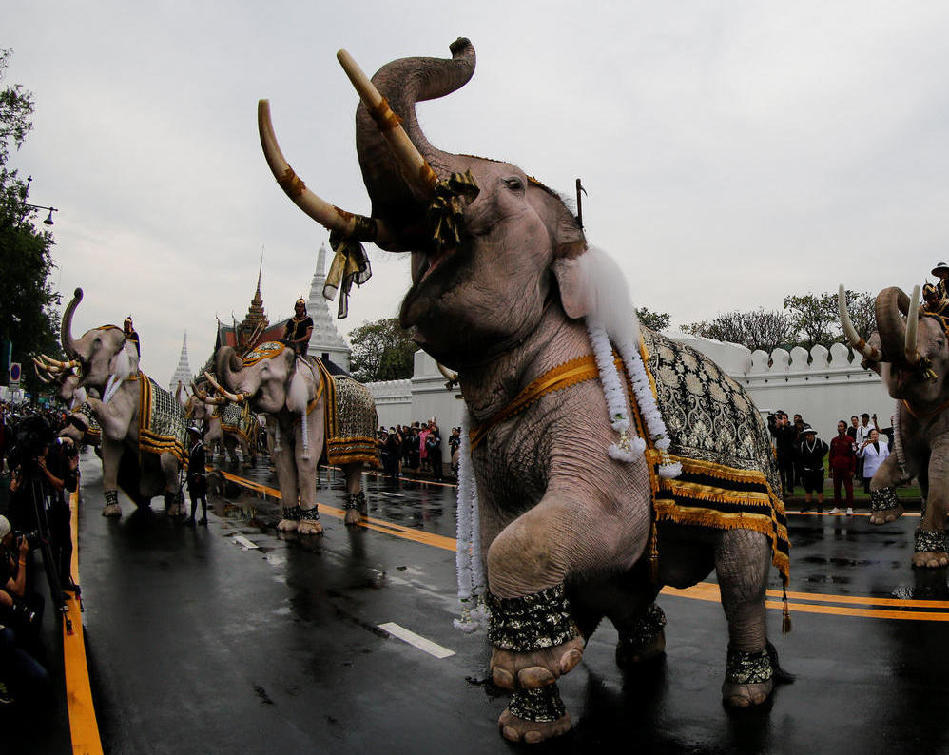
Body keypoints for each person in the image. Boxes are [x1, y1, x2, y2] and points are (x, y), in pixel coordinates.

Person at [828, 420, 858, 514]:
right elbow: (831, 455)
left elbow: (853, 456)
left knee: (848, 488)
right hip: (836, 468)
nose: (839, 428)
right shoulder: (834, 440)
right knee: (837, 488)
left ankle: (850, 507)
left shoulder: (850, 440)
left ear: (845, 428)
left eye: (841, 426)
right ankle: (837, 507)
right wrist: (830, 469)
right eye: (838, 426)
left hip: (847, 468)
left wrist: (853, 469)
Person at [798, 426, 828, 513]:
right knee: (808, 489)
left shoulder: (820, 442)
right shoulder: (803, 444)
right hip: (807, 470)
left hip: (818, 470)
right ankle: (807, 505)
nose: (808, 437)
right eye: (806, 435)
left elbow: (826, 449)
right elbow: (801, 456)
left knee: (819, 489)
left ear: (813, 435)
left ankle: (820, 506)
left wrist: (818, 457)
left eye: (809, 435)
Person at [769, 411, 797, 495]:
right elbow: (773, 433)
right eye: (781, 418)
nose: (782, 420)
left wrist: (784, 425)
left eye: (784, 418)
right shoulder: (779, 428)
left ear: (787, 419)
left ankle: (790, 490)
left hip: (789, 454)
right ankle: (782, 490)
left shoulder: (791, 428)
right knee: (781, 473)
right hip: (781, 454)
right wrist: (772, 423)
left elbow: (791, 434)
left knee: (789, 473)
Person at [185, 426, 207, 526]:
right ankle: (193, 517)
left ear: (196, 436)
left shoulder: (199, 447)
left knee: (201, 497)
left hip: (198, 475)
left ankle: (204, 517)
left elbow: (201, 462)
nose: (190, 435)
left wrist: (198, 475)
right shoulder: (191, 446)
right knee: (193, 497)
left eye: (192, 434)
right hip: (191, 474)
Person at [859, 428, 889, 495]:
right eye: (873, 434)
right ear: (870, 436)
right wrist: (862, 447)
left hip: (881, 472)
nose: (875, 436)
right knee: (870, 493)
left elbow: (887, 457)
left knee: (882, 492)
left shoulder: (884, 444)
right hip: (870, 473)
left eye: (876, 434)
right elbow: (859, 455)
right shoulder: (865, 445)